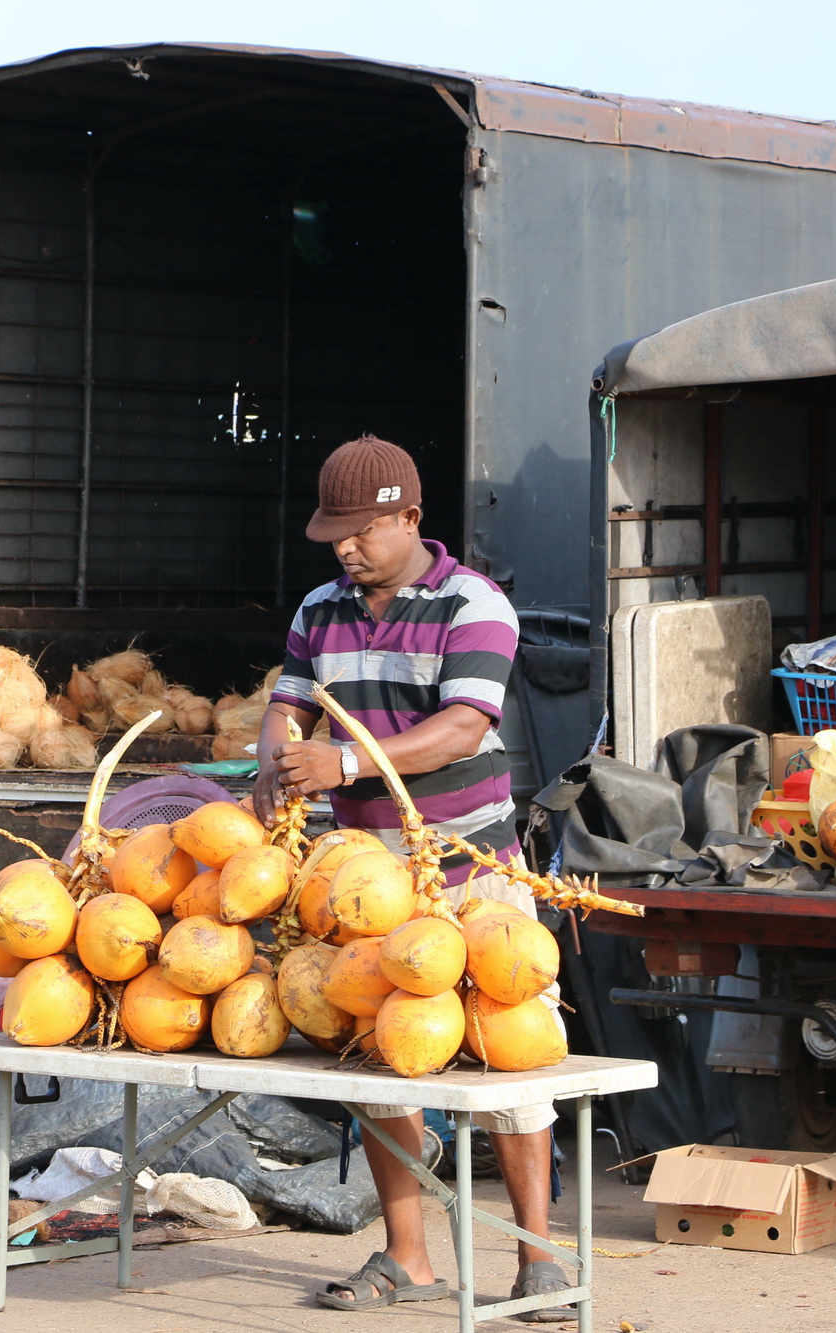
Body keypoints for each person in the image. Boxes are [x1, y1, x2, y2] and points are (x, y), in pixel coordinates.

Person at [252, 435, 574, 1320]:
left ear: (409, 518)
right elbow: (286, 703)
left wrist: (344, 765)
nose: (345, 549)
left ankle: (537, 1257)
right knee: (380, 1058)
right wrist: (272, 764)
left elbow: (461, 729)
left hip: (471, 869)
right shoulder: (321, 609)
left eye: (361, 532)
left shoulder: (476, 605)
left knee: (510, 1059)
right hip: (364, 880)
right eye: (334, 536)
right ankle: (407, 1257)